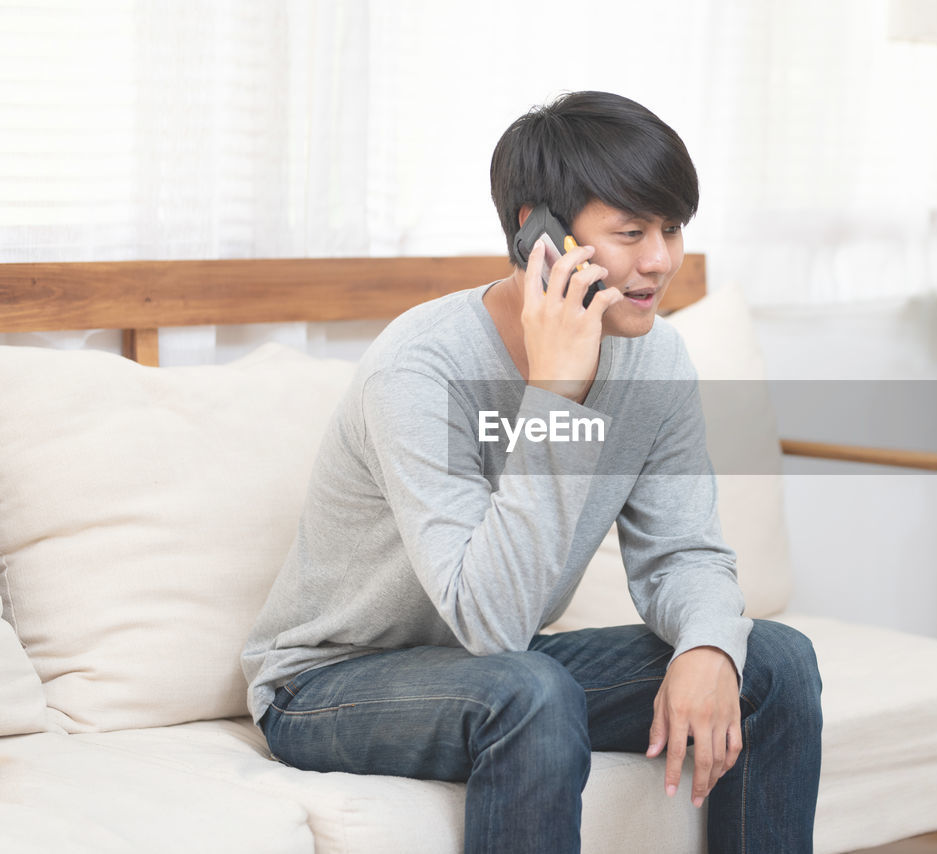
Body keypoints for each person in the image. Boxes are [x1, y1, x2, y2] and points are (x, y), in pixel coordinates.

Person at [241, 90, 822, 854]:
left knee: (770, 659)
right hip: (328, 684)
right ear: (536, 233)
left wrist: (708, 647)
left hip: (490, 672)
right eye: (630, 232)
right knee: (529, 690)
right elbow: (490, 624)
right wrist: (555, 393)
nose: (660, 261)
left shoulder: (654, 360)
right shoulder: (420, 370)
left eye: (673, 228)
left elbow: (685, 553)